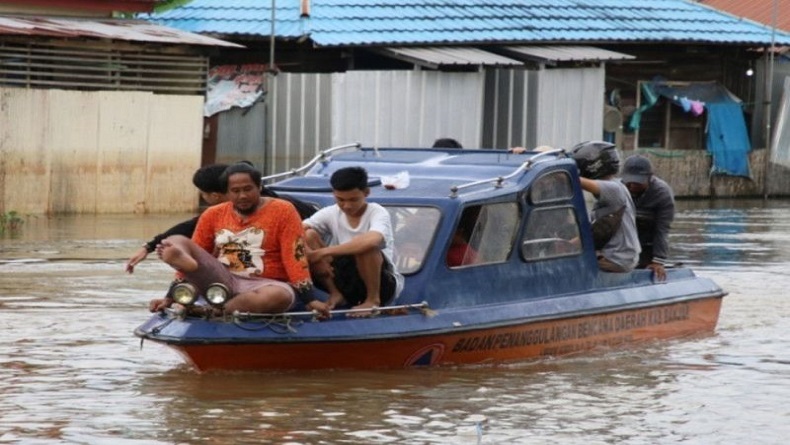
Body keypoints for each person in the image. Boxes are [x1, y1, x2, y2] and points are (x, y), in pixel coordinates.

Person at [150, 163, 330, 317]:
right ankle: (183, 281)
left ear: (259, 187)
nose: (242, 196)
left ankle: (214, 312)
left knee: (277, 296)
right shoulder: (213, 214)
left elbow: (295, 256)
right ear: (227, 193)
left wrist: (310, 299)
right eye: (235, 191)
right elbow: (200, 252)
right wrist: (168, 298)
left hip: (268, 283)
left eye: (247, 189)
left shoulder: (283, 210)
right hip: (222, 278)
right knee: (180, 241)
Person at [302, 166, 404, 316]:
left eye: (353, 199)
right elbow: (296, 230)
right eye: (340, 200)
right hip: (344, 279)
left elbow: (373, 241)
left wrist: (322, 253)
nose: (347, 206)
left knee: (364, 245)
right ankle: (335, 293)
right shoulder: (330, 212)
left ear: (366, 193)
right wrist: (311, 253)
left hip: (381, 283)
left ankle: (372, 300)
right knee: (308, 235)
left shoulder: (377, 212)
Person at [125, 163, 229, 274]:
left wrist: (149, 247)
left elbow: (186, 228)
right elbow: (186, 228)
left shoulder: (230, 213)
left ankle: (193, 265)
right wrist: (149, 246)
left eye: (203, 194)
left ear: (215, 196)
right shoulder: (213, 215)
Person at [571, 141, 640, 273]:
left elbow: (575, 180)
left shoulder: (613, 189)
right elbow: (599, 229)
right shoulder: (615, 187)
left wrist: (563, 170)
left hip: (617, 258)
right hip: (620, 256)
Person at [621, 154, 675, 281]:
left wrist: (658, 261)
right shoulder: (617, 189)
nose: (632, 186)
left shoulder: (662, 193)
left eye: (638, 182)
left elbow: (662, 230)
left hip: (647, 241)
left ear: (650, 178)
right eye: (629, 182)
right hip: (623, 241)